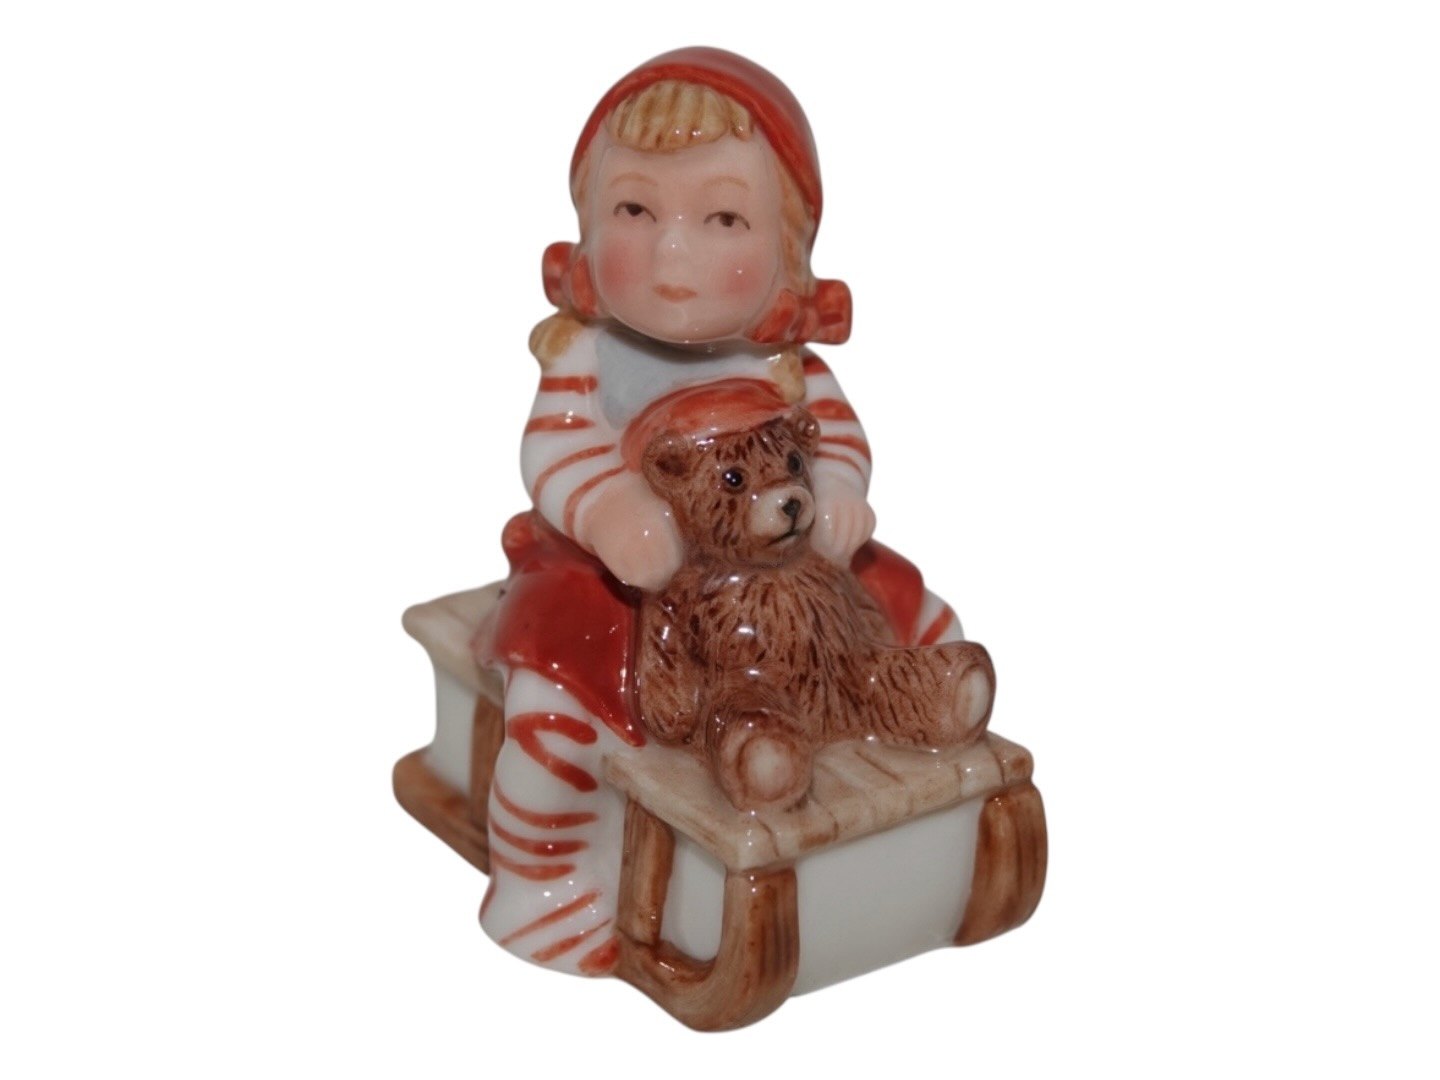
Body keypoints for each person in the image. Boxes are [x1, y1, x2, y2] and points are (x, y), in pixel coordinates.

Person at [473, 47, 970, 975]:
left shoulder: (785, 365)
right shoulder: (588, 354)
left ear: (789, 250)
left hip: (783, 572)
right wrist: (611, 508)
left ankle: (924, 714)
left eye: (723, 219)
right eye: (635, 211)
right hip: (618, 583)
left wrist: (840, 493)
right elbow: (555, 448)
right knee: (556, 701)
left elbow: (838, 438)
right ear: (584, 227)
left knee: (911, 608)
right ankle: (544, 883)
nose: (672, 254)